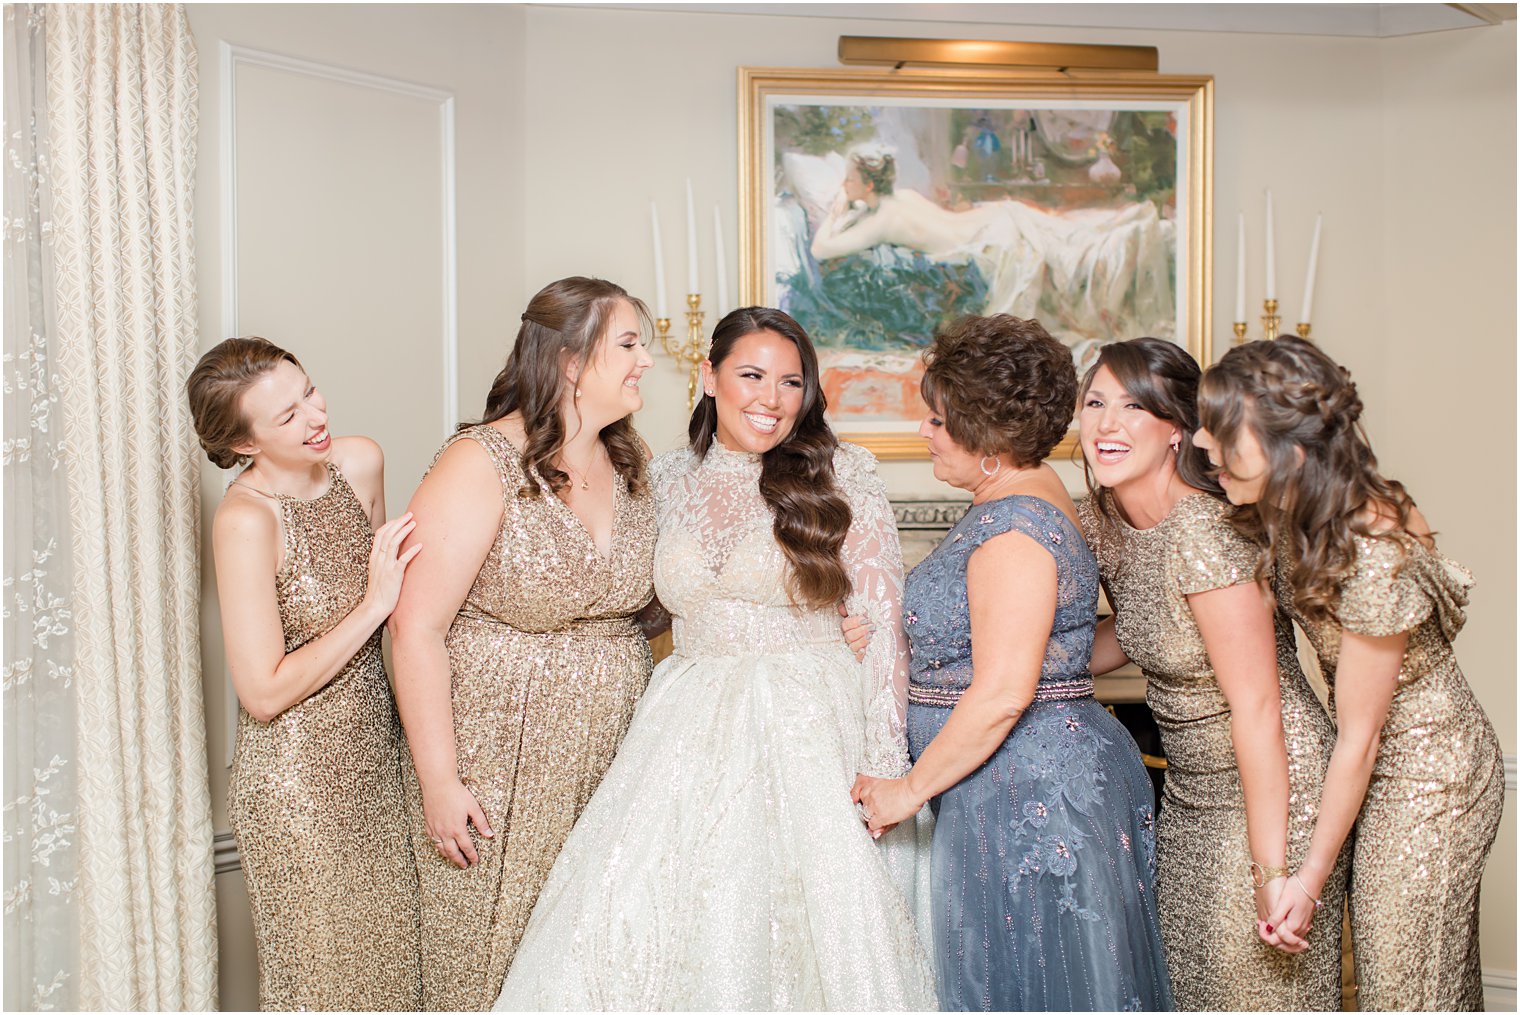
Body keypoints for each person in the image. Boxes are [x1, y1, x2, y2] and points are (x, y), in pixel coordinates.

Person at [493, 307, 936, 1011]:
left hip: (811, 718)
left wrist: (884, 760)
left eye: (791, 382)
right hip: (686, 721)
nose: (771, 397)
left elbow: (883, 623)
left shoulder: (843, 471)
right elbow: (635, 600)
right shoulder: (661, 478)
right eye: (752, 375)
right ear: (709, 376)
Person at [852, 314, 1172, 1012]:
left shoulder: (1014, 531)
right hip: (1017, 777)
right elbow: (1060, 647)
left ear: (984, 436)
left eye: (937, 420)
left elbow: (1002, 691)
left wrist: (905, 791)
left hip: (1026, 791)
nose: (924, 433)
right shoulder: (1044, 499)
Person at [1195, 336, 1503, 1011]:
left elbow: (1361, 737)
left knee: (1404, 984)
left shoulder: (1368, 548)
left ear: (1293, 450)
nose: (1202, 442)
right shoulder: (1294, 510)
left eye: (1222, 431)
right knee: (1422, 972)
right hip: (1381, 751)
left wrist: (1306, 879)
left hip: (1433, 768)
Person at [389, 277, 659, 1010]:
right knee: (489, 959)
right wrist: (440, 780)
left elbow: (654, 610)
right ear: (572, 361)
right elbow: (415, 626)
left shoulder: (633, 464)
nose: (645, 362)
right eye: (629, 343)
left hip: (612, 760)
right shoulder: (480, 461)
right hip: (499, 757)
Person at [1075, 337, 1346, 1009]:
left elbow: (1259, 705)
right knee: (1194, 987)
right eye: (1095, 402)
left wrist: (1273, 869)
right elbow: (1133, 634)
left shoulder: (1205, 531)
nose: (1106, 425)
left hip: (1273, 785)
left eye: (1133, 407)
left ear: (1176, 429)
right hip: (1193, 790)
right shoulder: (1108, 520)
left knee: (1250, 988)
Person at [188, 337, 421, 1010]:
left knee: (396, 984)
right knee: (325, 987)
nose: (316, 416)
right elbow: (261, 691)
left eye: (309, 392)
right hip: (299, 793)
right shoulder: (245, 519)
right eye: (287, 417)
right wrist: (374, 603)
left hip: (380, 763)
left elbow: (402, 620)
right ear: (243, 445)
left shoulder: (360, 462)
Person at [806, 150, 1173, 365]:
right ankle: (1123, 233)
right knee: (1075, 239)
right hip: (999, 218)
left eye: (850, 180)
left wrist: (836, 214)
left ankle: (1125, 241)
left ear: (868, 185)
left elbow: (820, 249)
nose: (844, 186)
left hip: (996, 243)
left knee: (1078, 257)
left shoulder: (881, 220)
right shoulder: (900, 199)